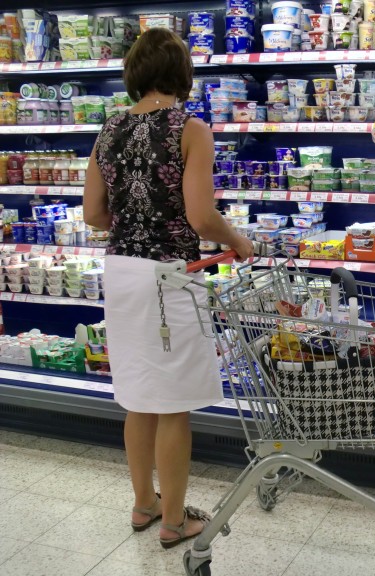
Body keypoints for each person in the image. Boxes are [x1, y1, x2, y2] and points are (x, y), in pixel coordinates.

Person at [83, 28, 254, 549]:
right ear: (182, 73)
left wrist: (134, 220)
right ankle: (176, 521)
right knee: (173, 403)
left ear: (134, 73)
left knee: (138, 397)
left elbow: (93, 215)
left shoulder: (109, 128)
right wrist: (240, 241)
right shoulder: (190, 127)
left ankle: (144, 505)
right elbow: (202, 217)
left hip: (123, 274)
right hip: (170, 276)